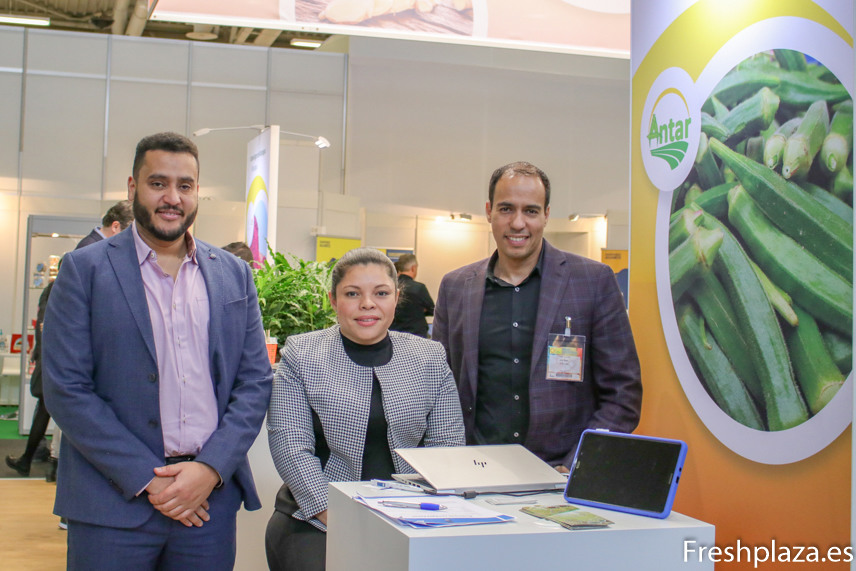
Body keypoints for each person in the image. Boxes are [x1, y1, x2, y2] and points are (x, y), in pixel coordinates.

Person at [42, 131, 274, 570]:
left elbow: (254, 382)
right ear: (133, 187)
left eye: (185, 185)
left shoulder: (232, 274)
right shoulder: (84, 269)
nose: (172, 197)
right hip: (112, 502)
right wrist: (149, 480)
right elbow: (66, 389)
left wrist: (210, 468)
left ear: (197, 191)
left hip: (207, 504)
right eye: (158, 183)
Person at [432, 161, 642, 472]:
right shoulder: (455, 287)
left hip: (559, 475)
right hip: (475, 473)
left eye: (530, 211)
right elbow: (439, 387)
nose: (518, 223)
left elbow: (623, 394)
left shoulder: (593, 281)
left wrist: (578, 464)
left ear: (546, 215)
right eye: (506, 209)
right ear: (489, 211)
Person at [266, 247, 465, 571]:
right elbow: (291, 446)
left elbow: (447, 445)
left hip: (410, 517)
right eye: (352, 293)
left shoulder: (429, 357)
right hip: (316, 517)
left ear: (396, 298)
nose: (367, 303)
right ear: (333, 300)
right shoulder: (302, 355)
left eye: (381, 293)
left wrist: (416, 519)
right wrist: (339, 517)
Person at [4, 269, 56, 478]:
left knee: (45, 411)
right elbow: (44, 326)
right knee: (45, 410)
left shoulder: (55, 289)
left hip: (52, 363)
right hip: (55, 362)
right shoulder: (57, 289)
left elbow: (43, 325)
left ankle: (33, 460)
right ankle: (37, 460)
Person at [390, 254, 435, 338]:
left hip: (393, 335)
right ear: (413, 268)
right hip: (417, 336)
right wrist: (420, 310)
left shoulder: (391, 286)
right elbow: (433, 310)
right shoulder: (419, 288)